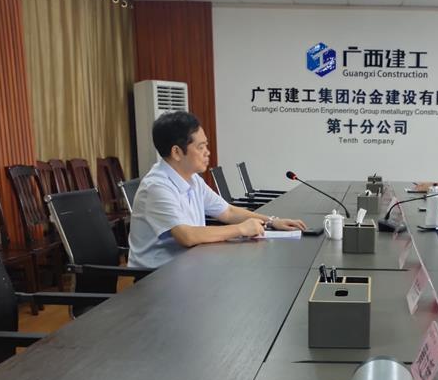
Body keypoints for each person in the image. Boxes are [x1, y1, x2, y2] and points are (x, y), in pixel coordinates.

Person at [128, 112, 306, 269]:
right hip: (156, 278)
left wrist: (272, 221)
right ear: (176, 152)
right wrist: (241, 229)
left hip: (190, 265)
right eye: (201, 147)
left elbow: (227, 212)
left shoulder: (192, 179)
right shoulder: (156, 186)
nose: (208, 152)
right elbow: (187, 236)